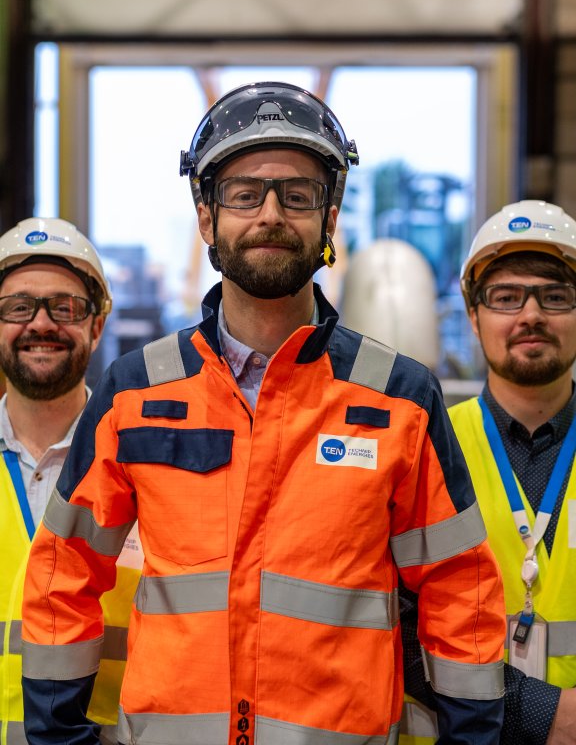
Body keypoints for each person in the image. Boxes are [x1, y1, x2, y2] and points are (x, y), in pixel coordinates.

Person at [21, 82, 505, 745]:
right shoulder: (133, 392)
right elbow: (63, 573)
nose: (270, 215)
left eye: (298, 195)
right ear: (205, 217)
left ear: (329, 218)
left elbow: (461, 594)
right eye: (245, 194)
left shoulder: (400, 397)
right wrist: (56, 738)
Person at [401, 199, 576, 745]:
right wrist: (541, 712)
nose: (531, 316)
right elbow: (397, 623)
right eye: (505, 298)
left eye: (555, 297)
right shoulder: (424, 449)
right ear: (472, 315)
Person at [0, 217, 140, 745]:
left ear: (96, 326)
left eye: (64, 307)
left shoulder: (140, 470)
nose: (41, 324)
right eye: (18, 307)